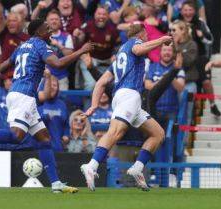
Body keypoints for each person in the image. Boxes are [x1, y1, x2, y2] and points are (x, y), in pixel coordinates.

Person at [0, 19, 93, 193]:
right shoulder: (40, 45)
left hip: (20, 94)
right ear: (38, 31)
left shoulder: (22, 46)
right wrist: (81, 51)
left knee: (44, 140)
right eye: (47, 27)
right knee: (16, 136)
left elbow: (2, 67)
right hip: (23, 96)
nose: (50, 29)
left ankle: (56, 183)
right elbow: (57, 64)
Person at [81, 23, 171, 191]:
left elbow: (101, 82)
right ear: (141, 34)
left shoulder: (119, 57)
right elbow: (139, 50)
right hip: (129, 95)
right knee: (116, 132)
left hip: (127, 99)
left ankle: (137, 168)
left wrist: (94, 104)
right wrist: (161, 40)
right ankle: (91, 166)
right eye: (146, 35)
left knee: (158, 134)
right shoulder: (133, 44)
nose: (147, 37)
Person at [74, 5, 119, 90]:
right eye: (99, 14)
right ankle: (88, 104)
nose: (101, 17)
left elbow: (117, 45)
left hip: (107, 61)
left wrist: (115, 54)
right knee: (91, 85)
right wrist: (77, 36)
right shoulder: (87, 26)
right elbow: (79, 42)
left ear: (108, 16)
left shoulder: (113, 29)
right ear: (94, 15)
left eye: (104, 14)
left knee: (106, 86)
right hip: (90, 59)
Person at [145, 43, 185, 129]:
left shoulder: (178, 69)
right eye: (164, 50)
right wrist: (163, 80)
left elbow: (181, 88)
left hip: (172, 111)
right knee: (155, 139)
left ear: (173, 53)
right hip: (154, 110)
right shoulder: (152, 67)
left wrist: (170, 76)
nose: (167, 52)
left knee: (169, 139)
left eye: (169, 50)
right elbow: (147, 86)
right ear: (160, 52)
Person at [45, 9, 74, 90]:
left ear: (60, 21)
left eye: (56, 19)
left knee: (63, 101)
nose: (54, 21)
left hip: (62, 76)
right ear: (47, 22)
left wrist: (58, 45)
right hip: (45, 75)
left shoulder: (67, 36)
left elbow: (70, 55)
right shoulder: (42, 36)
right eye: (51, 19)